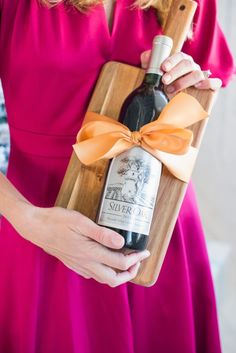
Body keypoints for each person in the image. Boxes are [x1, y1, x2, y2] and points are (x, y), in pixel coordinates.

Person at [0, 0, 234, 352]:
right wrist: (28, 220)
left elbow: (207, 87)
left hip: (159, 227)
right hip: (42, 228)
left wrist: (189, 82)